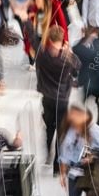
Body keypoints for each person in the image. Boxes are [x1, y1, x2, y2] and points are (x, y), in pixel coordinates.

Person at [21, 20, 78, 171]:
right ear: (61, 41)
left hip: (47, 97)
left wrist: (26, 21)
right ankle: (57, 166)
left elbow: (33, 40)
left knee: (49, 128)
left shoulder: (42, 56)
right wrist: (69, 52)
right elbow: (78, 69)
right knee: (62, 133)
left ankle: (47, 152)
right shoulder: (66, 60)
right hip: (63, 100)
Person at [73, 27, 99, 126]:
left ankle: (84, 126)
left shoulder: (82, 47)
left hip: (86, 84)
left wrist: (83, 40)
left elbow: (75, 50)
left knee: (83, 107)